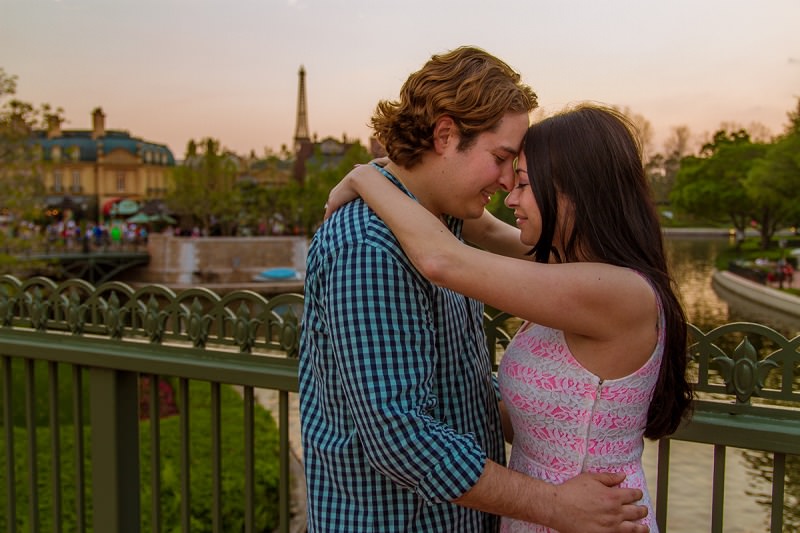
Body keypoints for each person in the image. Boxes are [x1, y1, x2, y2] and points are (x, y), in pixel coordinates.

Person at [299, 45, 651, 533]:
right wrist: (551, 501)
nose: (509, 182)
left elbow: (455, 380)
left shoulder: (445, 230)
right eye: (502, 157)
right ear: (446, 135)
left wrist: (368, 175)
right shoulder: (368, 246)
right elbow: (401, 435)